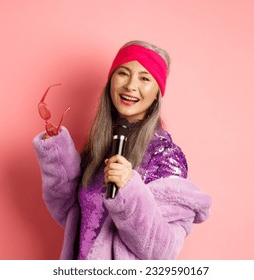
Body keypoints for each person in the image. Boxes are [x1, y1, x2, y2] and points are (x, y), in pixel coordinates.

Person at [33, 40, 211, 260]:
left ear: (157, 92)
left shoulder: (165, 156)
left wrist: (128, 189)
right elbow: (72, 213)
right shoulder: (103, 145)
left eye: (145, 78)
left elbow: (162, 251)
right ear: (111, 81)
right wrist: (56, 155)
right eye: (123, 73)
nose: (130, 86)